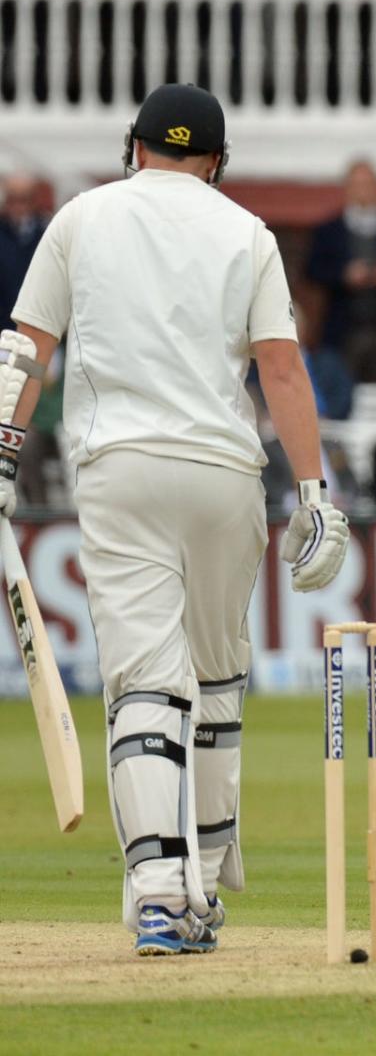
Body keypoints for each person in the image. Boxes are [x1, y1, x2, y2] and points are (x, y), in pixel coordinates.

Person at [0, 84, 349, 956]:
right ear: (217, 162)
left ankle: (161, 890)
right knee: (219, 677)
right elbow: (281, 369)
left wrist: (3, 453)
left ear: (135, 145)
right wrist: (315, 495)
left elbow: (25, 348)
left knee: (147, 683)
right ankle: (211, 864)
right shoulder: (247, 232)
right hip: (224, 475)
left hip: (121, 468)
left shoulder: (82, 217)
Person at [301, 159, 376, 382]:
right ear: (347, 188)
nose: (362, 190)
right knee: (341, 386)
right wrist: (343, 275)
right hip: (343, 329)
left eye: (367, 184)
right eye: (357, 184)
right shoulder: (329, 229)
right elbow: (313, 270)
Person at [0, 174, 48, 333]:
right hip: (4, 326)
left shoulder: (47, 233)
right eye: (12, 200)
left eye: (24, 200)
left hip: (38, 327)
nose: (18, 207)